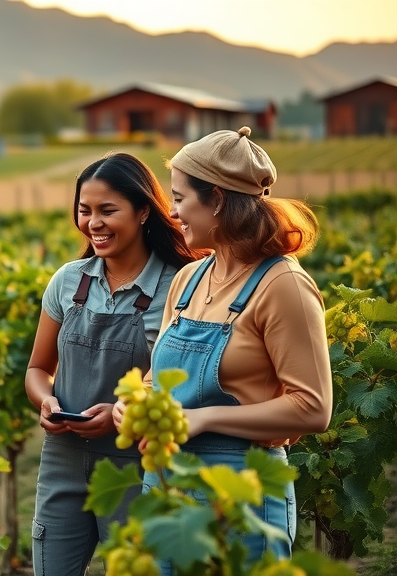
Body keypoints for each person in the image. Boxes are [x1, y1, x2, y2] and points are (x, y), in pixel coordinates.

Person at [115, 126, 332, 569]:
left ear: (215, 199)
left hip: (243, 495)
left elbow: (313, 408)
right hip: (168, 487)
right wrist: (136, 404)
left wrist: (204, 418)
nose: (172, 212)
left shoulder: (283, 285)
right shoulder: (189, 279)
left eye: (179, 199)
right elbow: (161, 377)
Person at [24, 153, 203, 576]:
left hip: (137, 463)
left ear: (144, 211)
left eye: (108, 211)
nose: (93, 223)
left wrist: (121, 415)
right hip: (62, 459)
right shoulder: (67, 281)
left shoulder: (183, 284)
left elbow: (180, 381)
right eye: (84, 211)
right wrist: (46, 402)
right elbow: (36, 370)